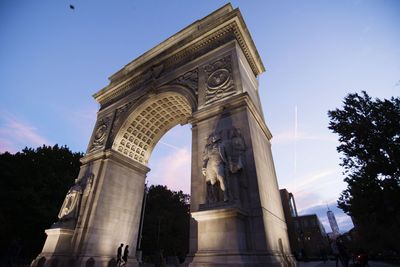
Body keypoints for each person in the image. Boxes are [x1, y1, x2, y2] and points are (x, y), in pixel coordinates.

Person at [202, 133, 228, 202]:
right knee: (212, 182)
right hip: (210, 165)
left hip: (219, 163)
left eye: (214, 137)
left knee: (221, 178)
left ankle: (225, 195)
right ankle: (215, 199)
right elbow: (205, 158)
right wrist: (204, 167)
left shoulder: (222, 145)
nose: (213, 138)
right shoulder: (208, 147)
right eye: (212, 137)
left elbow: (227, 155)